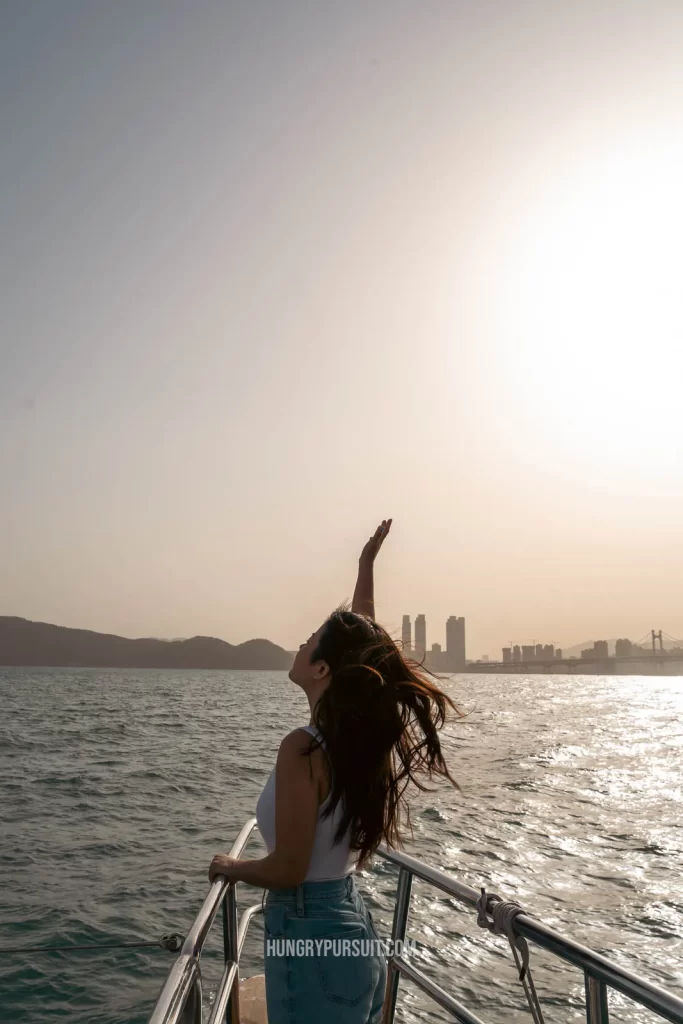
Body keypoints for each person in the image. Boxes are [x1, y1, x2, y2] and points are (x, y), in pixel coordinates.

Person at [209, 519, 460, 1023]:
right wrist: (365, 569)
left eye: (308, 641)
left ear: (323, 669)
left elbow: (288, 870)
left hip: (310, 939)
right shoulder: (356, 743)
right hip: (352, 931)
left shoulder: (302, 748)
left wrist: (230, 869)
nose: (299, 647)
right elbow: (365, 647)